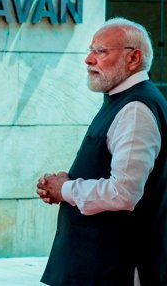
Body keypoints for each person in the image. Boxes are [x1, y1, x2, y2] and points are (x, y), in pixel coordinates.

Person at [37, 17, 167, 285]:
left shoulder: (135, 109)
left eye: (101, 51)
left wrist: (65, 189)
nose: (89, 60)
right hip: (94, 263)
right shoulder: (121, 100)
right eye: (90, 50)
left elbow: (124, 193)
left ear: (133, 58)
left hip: (113, 266)